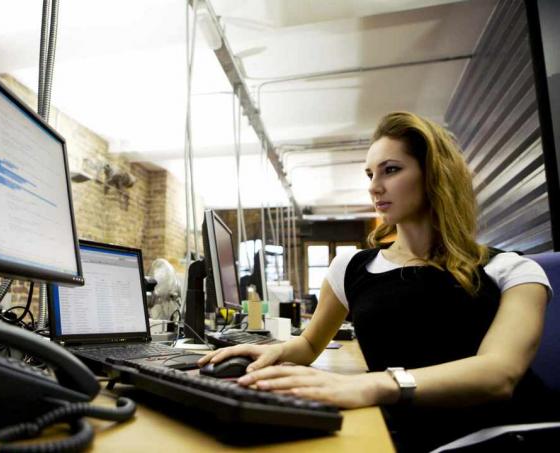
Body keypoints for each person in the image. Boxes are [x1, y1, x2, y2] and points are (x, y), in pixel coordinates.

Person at [198, 111, 557, 451]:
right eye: (370, 174)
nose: (375, 187)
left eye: (391, 170)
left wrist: (372, 385)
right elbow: (309, 344)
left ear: (435, 174)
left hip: (505, 433)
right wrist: (273, 351)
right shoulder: (350, 267)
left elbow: (499, 374)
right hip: (407, 432)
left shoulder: (511, 270)